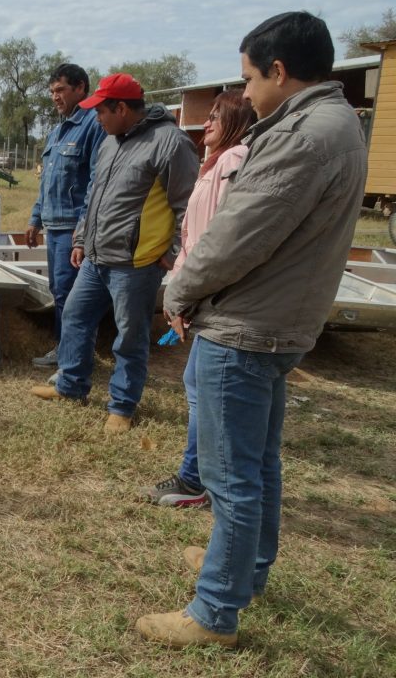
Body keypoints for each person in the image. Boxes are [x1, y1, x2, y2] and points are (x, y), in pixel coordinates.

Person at [138, 12, 368, 648]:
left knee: (230, 477)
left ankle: (215, 610)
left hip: (245, 327)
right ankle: (245, 570)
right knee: (257, 464)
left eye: (248, 78)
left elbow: (239, 236)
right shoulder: (334, 122)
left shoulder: (304, 137)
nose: (244, 94)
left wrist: (178, 289)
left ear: (278, 70)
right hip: (278, 322)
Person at [30, 73, 198, 434]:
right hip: (95, 258)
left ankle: (122, 406)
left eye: (102, 111)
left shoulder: (170, 142)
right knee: (75, 318)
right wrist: (80, 239)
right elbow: (92, 197)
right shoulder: (110, 141)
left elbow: (187, 204)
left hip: (135, 264)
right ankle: (71, 387)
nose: (97, 118)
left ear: (121, 108)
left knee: (129, 338)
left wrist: (175, 252)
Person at [145, 90, 256, 507]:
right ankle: (203, 478)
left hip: (208, 295)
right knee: (199, 386)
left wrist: (184, 295)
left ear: (237, 123)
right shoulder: (217, 164)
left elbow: (213, 240)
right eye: (207, 116)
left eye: (215, 117)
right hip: (201, 289)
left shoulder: (231, 162)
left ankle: (198, 481)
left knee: (205, 392)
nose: (205, 124)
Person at [26, 63, 106, 367]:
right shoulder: (57, 132)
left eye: (60, 90)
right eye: (52, 92)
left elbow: (95, 184)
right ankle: (68, 351)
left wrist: (82, 234)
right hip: (53, 226)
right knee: (61, 291)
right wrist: (35, 219)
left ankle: (73, 355)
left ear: (81, 88)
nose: (55, 97)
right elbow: (47, 181)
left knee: (72, 296)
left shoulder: (93, 126)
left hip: (73, 227)